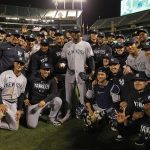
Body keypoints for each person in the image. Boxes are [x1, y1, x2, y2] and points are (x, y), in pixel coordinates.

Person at [61, 26, 95, 122]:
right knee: (68, 95)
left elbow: (91, 58)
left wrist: (92, 71)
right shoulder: (66, 45)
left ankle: (85, 113)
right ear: (70, 33)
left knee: (83, 96)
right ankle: (68, 114)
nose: (74, 34)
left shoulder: (86, 44)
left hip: (81, 72)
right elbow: (63, 58)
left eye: (76, 32)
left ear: (80, 33)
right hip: (70, 72)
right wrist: (63, 63)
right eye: (72, 32)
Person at [115, 72, 150, 143]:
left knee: (145, 128)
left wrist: (143, 113)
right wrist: (122, 123)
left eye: (140, 80)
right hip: (138, 119)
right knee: (124, 126)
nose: (137, 82)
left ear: (146, 82)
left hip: (146, 119)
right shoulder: (132, 92)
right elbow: (128, 111)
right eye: (135, 80)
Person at [25, 63, 62, 128]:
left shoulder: (52, 79)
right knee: (31, 126)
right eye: (44, 69)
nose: (46, 71)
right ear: (40, 70)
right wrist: (25, 98)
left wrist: (45, 101)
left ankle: (51, 118)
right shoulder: (32, 77)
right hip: (34, 105)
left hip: (44, 104)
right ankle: (37, 113)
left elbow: (54, 93)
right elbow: (25, 89)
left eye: (48, 70)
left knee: (58, 100)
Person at [0, 56, 27, 131]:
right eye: (17, 63)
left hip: (13, 104)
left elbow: (21, 95)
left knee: (14, 128)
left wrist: (19, 109)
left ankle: (4, 119)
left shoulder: (24, 79)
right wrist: (1, 103)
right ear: (14, 63)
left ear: (24, 66)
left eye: (21, 64)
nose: (19, 65)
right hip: (3, 101)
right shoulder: (5, 74)